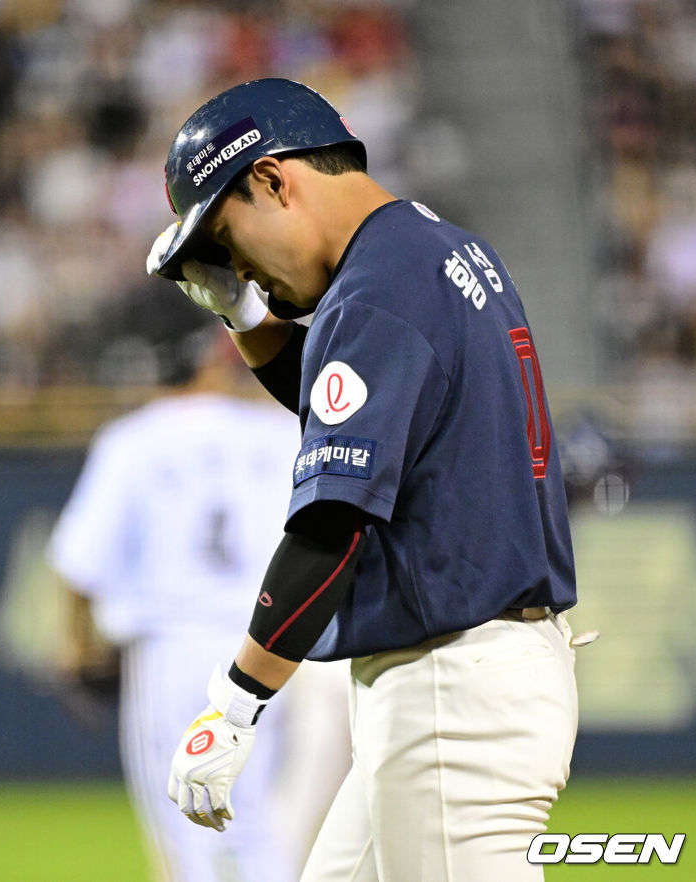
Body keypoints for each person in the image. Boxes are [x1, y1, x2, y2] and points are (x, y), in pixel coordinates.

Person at [146, 78, 581, 881]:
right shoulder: (427, 249)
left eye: (227, 237)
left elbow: (331, 521)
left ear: (274, 179)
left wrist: (237, 700)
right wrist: (246, 318)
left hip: (454, 693)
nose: (236, 267)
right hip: (467, 676)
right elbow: (349, 418)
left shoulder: (379, 288)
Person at [46, 326, 350, 881]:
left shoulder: (133, 438)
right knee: (258, 826)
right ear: (215, 365)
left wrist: (75, 646)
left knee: (183, 830)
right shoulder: (280, 430)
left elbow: (77, 564)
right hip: (264, 649)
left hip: (172, 649)